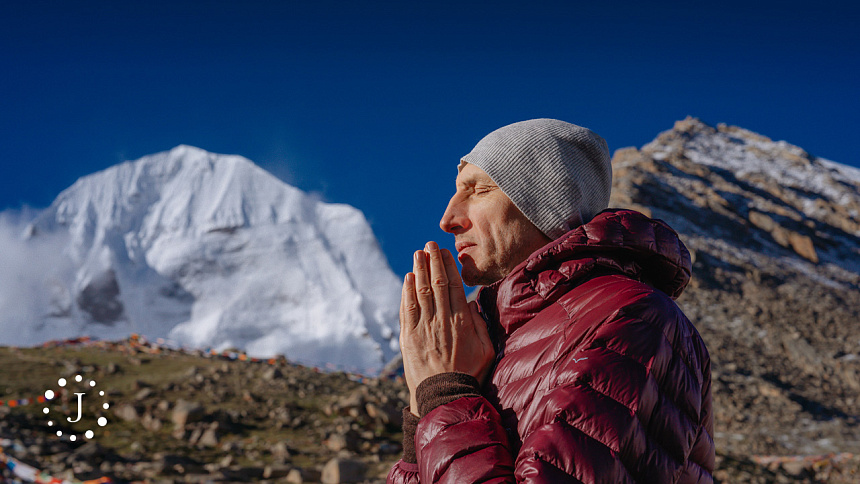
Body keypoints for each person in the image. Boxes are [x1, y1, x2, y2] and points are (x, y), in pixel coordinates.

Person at [387, 119, 714, 483]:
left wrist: (445, 395)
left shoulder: (630, 318)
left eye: (478, 190)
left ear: (545, 202)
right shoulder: (488, 335)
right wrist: (424, 411)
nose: (448, 219)